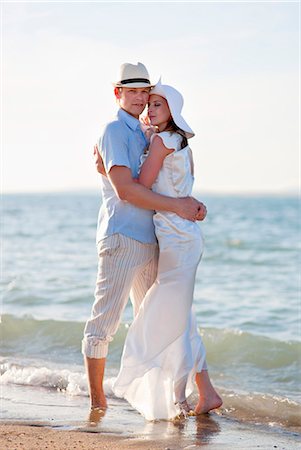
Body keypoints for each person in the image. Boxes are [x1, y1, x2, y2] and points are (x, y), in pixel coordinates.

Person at [82, 62, 207, 412]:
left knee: (158, 320)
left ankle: (170, 403)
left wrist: (188, 204)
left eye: (144, 92)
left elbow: (166, 176)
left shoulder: (146, 132)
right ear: (117, 93)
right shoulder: (113, 131)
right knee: (104, 324)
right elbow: (126, 191)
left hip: (153, 240)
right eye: (132, 91)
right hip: (122, 238)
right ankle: (98, 405)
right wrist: (180, 206)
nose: (139, 98)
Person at [112, 81, 222, 420]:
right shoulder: (180, 142)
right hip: (184, 235)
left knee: (166, 313)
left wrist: (113, 166)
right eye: (150, 104)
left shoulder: (161, 141)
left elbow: (141, 185)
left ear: (172, 111)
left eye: (158, 105)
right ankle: (204, 393)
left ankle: (178, 396)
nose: (150, 109)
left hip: (175, 237)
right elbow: (187, 184)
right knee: (182, 314)